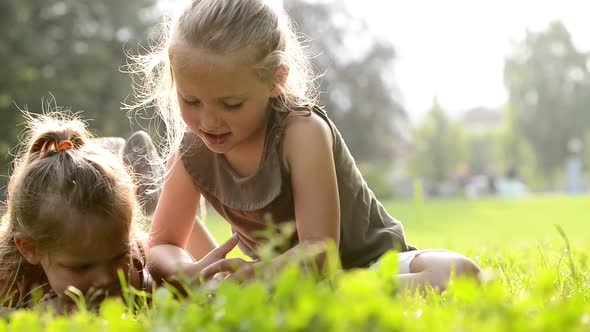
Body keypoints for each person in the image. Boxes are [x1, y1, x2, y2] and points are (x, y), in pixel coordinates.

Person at [132, 0, 480, 291]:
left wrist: (262, 278)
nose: (209, 121)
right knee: (154, 284)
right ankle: (260, 294)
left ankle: (328, 298)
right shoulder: (193, 150)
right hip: (281, 279)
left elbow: (319, 251)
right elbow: (163, 244)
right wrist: (188, 272)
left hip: (366, 266)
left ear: (275, 81)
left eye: (232, 104)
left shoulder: (301, 133)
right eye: (191, 101)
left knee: (458, 272)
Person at [0, 113, 236, 311]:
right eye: (81, 267)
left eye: (117, 258)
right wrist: (39, 315)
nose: (105, 278)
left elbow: (194, 289)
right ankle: (151, 192)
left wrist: (204, 286)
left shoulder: (137, 265)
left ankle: (154, 200)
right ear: (30, 249)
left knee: (189, 272)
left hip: (137, 245)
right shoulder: (11, 277)